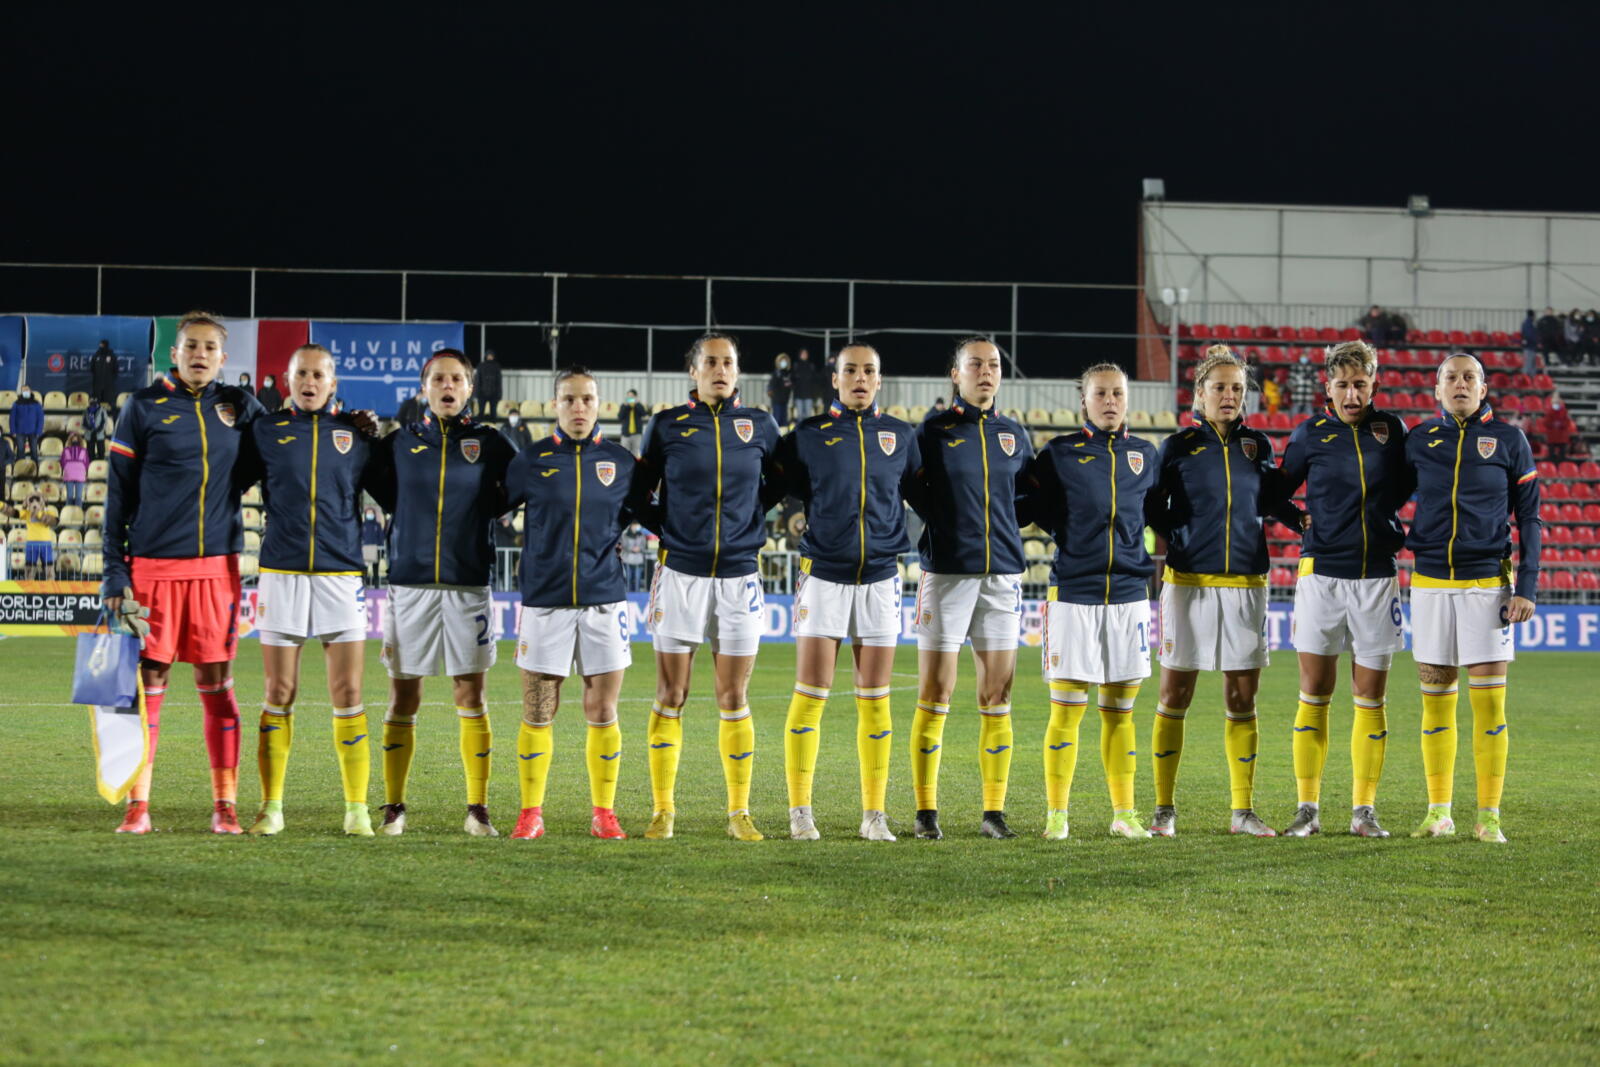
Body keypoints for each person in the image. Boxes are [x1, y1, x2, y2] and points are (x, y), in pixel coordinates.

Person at [101, 311, 267, 834]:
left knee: (216, 683)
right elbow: (117, 497)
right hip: (151, 570)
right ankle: (138, 805)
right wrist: (114, 571)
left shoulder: (239, 407)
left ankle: (225, 805)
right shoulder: (143, 407)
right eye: (191, 345)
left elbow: (289, 443)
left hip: (217, 570)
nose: (200, 354)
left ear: (223, 357)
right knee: (147, 683)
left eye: (209, 347)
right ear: (173, 354)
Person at [626, 332, 781, 841]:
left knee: (733, 695)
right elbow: (638, 494)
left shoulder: (760, 425)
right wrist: (671, 530)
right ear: (692, 371)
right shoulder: (666, 425)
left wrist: (749, 521)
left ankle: (739, 813)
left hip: (739, 578)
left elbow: (780, 483)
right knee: (672, 693)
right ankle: (662, 810)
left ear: (737, 371)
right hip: (680, 576)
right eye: (710, 362)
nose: (720, 370)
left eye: (728, 362)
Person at [1146, 345, 1302, 838]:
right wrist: (1181, 536)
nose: (1230, 395)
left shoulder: (1259, 445)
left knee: (1242, 696)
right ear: (1200, 392)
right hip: (1187, 583)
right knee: (1175, 693)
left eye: (1237, 388)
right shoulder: (1176, 447)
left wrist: (1305, 522)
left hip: (1247, 583)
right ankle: (1164, 809)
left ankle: (1242, 811)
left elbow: (1272, 501)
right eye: (1220, 387)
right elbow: (1151, 506)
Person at [769, 343, 921, 842]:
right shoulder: (807, 436)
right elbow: (772, 489)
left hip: (880, 578)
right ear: (834, 379)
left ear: (879, 380)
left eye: (868, 371)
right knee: (811, 695)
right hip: (824, 577)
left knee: (875, 700)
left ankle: (874, 814)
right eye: (850, 370)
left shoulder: (901, 436)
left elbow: (924, 497)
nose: (860, 378)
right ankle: (800, 811)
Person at [364, 348, 516, 837]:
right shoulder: (398, 444)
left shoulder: (491, 443)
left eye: (456, 379)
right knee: (403, 695)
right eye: (438, 379)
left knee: (470, 693)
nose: (447, 386)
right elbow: (383, 491)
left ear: (470, 388)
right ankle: (393, 807)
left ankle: (477, 809)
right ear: (424, 388)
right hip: (409, 585)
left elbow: (517, 489)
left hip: (468, 585)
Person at [235, 344, 377, 837]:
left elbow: (397, 491)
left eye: (319, 375)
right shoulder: (266, 431)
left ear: (333, 383)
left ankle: (357, 809)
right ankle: (270, 808)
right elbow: (227, 483)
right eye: (302, 374)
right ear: (287, 380)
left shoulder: (356, 436)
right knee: (278, 691)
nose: (310, 382)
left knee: (349, 691)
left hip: (341, 575)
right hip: (282, 573)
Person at [1402, 353, 1540, 844]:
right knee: (1436, 703)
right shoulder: (1419, 440)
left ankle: (1489, 816)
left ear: (1483, 389)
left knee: (1489, 707)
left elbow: (1530, 518)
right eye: (1451, 377)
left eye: (1469, 377)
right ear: (1437, 389)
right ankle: (1439, 812)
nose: (1460, 384)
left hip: (1487, 587)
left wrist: (1527, 587)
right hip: (1430, 584)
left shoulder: (1510, 440)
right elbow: (1384, 499)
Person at [1018, 362, 1159, 840]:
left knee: (1120, 712)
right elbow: (1032, 510)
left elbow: (1155, 512)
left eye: (1117, 393)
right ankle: (1057, 814)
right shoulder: (1058, 454)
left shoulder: (1145, 454)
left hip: (1129, 597)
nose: (1110, 402)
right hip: (1074, 595)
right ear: (1084, 400)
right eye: (1101, 394)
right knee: (1067, 710)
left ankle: (1124, 813)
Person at [1277, 341, 1410, 838]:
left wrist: (1387, 522)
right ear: (1327, 387)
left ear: (1374, 384)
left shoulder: (1392, 430)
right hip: (1321, 575)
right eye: (1342, 385)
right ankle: (1307, 809)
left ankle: (1363, 810)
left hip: (1376, 575)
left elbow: (1408, 484)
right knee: (1314, 691)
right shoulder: (1309, 434)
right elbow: (1275, 491)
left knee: (1370, 696)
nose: (1352, 394)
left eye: (1360, 384)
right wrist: (1300, 522)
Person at [503, 365, 639, 840]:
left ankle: (604, 813)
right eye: (569, 399)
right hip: (545, 602)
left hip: (604, 600)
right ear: (555, 405)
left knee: (602, 711)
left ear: (599, 404)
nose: (579, 407)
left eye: (587, 399)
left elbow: (649, 513)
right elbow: (488, 507)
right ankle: (530, 813)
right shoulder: (530, 460)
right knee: (539, 711)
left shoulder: (622, 462)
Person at [907, 337, 1033, 840]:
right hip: (947, 575)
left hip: (1002, 576)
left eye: (994, 364)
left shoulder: (1014, 434)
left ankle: (993, 813)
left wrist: (1001, 528)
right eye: (975, 364)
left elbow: (1027, 498)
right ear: (955, 374)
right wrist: (947, 524)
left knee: (997, 693)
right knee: (936, 692)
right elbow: (912, 489)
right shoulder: (932, 431)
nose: (986, 371)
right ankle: (926, 812)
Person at [21, 494, 56, 580]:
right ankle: (28, 586)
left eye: (37, 500)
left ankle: (51, 586)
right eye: (32, 501)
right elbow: (20, 514)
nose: (34, 503)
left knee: (49, 568)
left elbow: (51, 521)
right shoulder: (27, 513)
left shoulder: (49, 512)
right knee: (29, 569)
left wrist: (38, 511)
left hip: (45, 544)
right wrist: (25, 505)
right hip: (31, 544)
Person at [10, 385, 42, 463]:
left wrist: (39, 431)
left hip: (34, 432)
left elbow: (40, 418)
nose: (25, 392)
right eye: (23, 390)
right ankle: (19, 467)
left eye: (27, 390)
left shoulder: (36, 404)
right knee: (20, 451)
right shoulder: (16, 404)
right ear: (21, 392)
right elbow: (12, 418)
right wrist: (13, 431)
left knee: (34, 451)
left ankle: (35, 468)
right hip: (19, 431)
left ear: (30, 391)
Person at [617, 389, 649, 456]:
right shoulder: (624, 406)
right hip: (626, 434)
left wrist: (637, 404)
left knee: (636, 453)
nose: (630, 398)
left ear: (635, 397)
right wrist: (626, 406)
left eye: (632, 396)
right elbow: (620, 417)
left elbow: (644, 414)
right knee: (624, 453)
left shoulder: (639, 405)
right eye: (628, 396)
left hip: (637, 434)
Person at [90, 339, 120, 408]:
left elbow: (116, 369)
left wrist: (110, 379)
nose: (101, 347)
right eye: (100, 345)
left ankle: (110, 414)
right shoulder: (96, 356)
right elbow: (92, 369)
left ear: (106, 346)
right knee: (97, 402)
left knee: (109, 402)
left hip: (108, 385)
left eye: (103, 345)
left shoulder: (112, 356)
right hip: (97, 385)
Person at [60, 432, 88, 507]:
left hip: (70, 473)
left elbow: (62, 462)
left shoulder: (66, 450)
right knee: (77, 497)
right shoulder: (83, 450)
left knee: (71, 497)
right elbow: (86, 463)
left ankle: (71, 512)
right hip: (77, 474)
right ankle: (76, 512)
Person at [791, 348, 819, 422]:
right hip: (798, 395)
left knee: (808, 416)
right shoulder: (796, 365)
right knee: (800, 416)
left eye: (806, 353)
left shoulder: (811, 366)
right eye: (803, 353)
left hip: (809, 395)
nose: (804, 355)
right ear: (800, 355)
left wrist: (814, 394)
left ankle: (807, 429)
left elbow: (815, 381)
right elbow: (792, 379)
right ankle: (800, 429)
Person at [620, 521, 648, 592]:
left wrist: (639, 548)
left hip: (638, 560)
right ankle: (628, 593)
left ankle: (637, 593)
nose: (636, 527)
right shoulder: (625, 535)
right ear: (631, 526)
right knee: (628, 578)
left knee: (637, 578)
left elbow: (644, 545)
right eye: (634, 525)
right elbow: (623, 545)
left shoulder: (641, 535)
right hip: (627, 560)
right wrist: (631, 549)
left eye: (637, 525)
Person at [1288, 351, 1319, 415]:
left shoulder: (1312, 367)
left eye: (1305, 357)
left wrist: (1314, 389)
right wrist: (1292, 388)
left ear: (1308, 357)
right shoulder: (1295, 367)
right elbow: (1290, 380)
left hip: (1308, 395)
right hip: (1297, 395)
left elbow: (1316, 381)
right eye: (1302, 357)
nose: (1304, 358)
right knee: (1294, 414)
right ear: (1300, 357)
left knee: (1309, 414)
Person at [767, 354, 793, 427]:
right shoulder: (776, 373)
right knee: (777, 419)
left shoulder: (788, 373)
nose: (783, 363)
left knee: (784, 420)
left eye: (785, 361)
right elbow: (771, 384)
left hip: (785, 400)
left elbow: (789, 385)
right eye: (782, 361)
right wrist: (770, 391)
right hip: (777, 400)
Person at [361, 507, 386, 586]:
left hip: (376, 549)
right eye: (368, 513)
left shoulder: (377, 525)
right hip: (365, 550)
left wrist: (382, 551)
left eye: (371, 513)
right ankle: (364, 585)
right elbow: (360, 537)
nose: (370, 514)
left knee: (375, 569)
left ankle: (376, 586)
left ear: (374, 514)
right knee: (365, 569)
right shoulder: (363, 525)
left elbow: (381, 538)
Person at [476, 349, 503, 420]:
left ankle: (492, 426)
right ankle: (479, 426)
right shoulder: (481, 366)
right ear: (486, 356)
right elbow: (478, 380)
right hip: (482, 393)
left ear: (494, 357)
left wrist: (499, 394)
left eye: (491, 356)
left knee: (493, 414)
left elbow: (499, 381)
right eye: (488, 355)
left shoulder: (497, 366)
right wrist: (477, 393)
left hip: (494, 394)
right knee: (481, 413)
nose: (490, 357)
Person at [1520, 310, 1539, 376]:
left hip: (1530, 346)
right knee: (1529, 364)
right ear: (1533, 315)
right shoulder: (1529, 323)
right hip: (1530, 346)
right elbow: (1530, 335)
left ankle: (1529, 378)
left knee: (1530, 363)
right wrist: (1536, 341)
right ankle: (1526, 378)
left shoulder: (1526, 323)